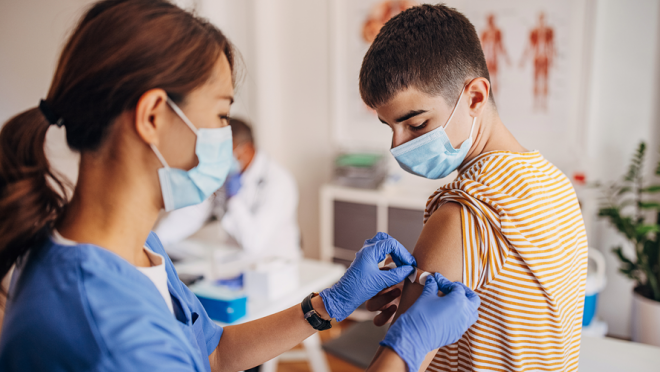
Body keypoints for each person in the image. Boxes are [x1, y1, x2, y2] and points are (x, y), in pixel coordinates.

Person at [0, 1, 480, 371]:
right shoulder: (111, 333)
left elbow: (215, 354)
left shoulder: (138, 249)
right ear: (152, 117)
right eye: (222, 114)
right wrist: (406, 348)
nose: (226, 138)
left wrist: (329, 304)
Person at [361, 5, 587, 371]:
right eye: (390, 127)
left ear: (475, 97)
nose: (397, 145)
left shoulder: (466, 212)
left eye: (415, 124)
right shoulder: (553, 181)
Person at [154, 117, 301, 261]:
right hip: (238, 264)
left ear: (246, 148)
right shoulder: (227, 176)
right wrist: (155, 239)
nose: (220, 157)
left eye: (225, 150)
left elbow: (254, 242)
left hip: (276, 267)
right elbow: (194, 212)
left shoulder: (278, 182)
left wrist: (234, 200)